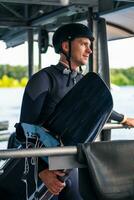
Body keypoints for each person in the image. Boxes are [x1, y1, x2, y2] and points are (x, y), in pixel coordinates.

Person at [17, 23, 134, 199]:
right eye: (84, 44)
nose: (90, 50)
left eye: (90, 45)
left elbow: (101, 107)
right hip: (44, 169)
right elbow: (24, 130)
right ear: (66, 46)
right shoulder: (43, 79)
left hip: (72, 164)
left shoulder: (83, 82)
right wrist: (41, 172)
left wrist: (124, 119)